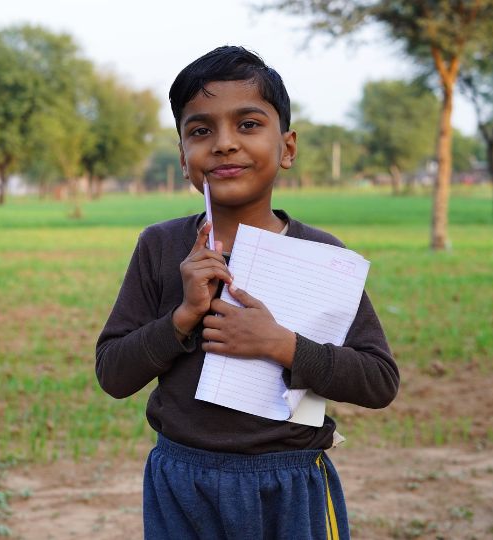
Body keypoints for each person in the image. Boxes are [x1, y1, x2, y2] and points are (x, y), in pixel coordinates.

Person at [95, 45, 399, 540]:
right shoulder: (161, 246)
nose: (224, 144)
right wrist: (183, 316)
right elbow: (112, 373)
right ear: (182, 157)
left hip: (290, 482)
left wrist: (281, 345)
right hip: (182, 481)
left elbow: (379, 380)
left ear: (288, 147)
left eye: (249, 124)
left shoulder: (321, 255)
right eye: (200, 131)